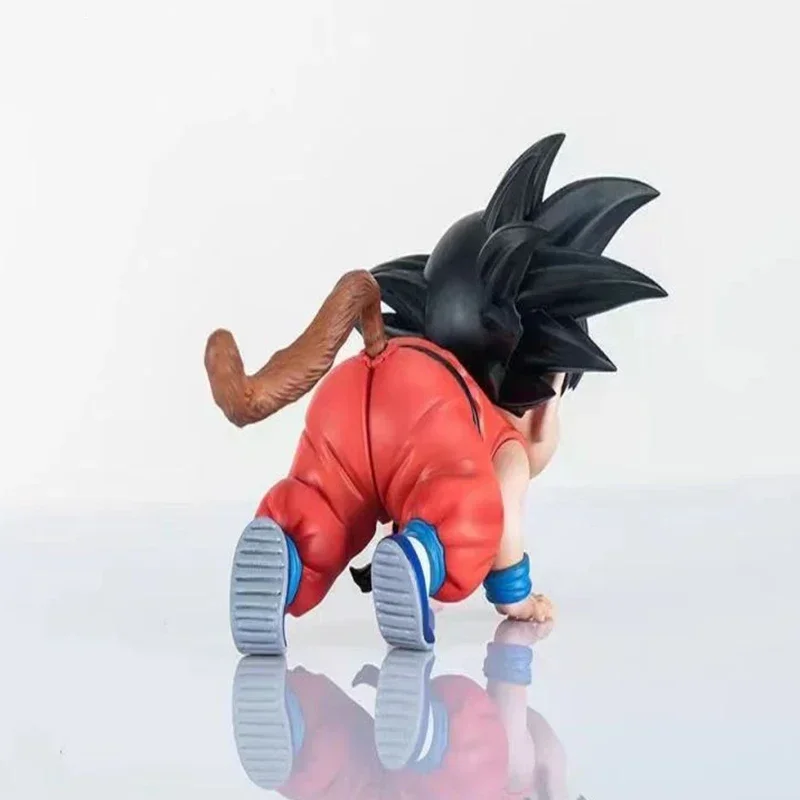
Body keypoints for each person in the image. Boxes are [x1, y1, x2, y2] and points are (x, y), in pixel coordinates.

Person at [205, 132, 666, 654]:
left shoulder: (412, 365)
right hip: (425, 421)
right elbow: (505, 527)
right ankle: (425, 556)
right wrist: (517, 598)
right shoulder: (500, 445)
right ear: (543, 407)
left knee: (324, 501)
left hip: (348, 391)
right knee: (467, 513)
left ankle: (287, 550)